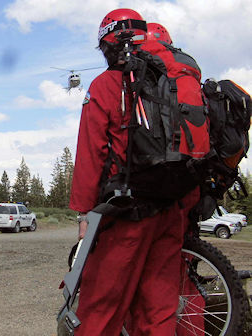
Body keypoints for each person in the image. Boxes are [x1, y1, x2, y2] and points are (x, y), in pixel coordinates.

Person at [69, 8, 200, 335]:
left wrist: (84, 213)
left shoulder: (104, 86)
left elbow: (90, 153)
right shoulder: (173, 83)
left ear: (108, 45)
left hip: (125, 215)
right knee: (158, 311)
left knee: (100, 307)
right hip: (170, 212)